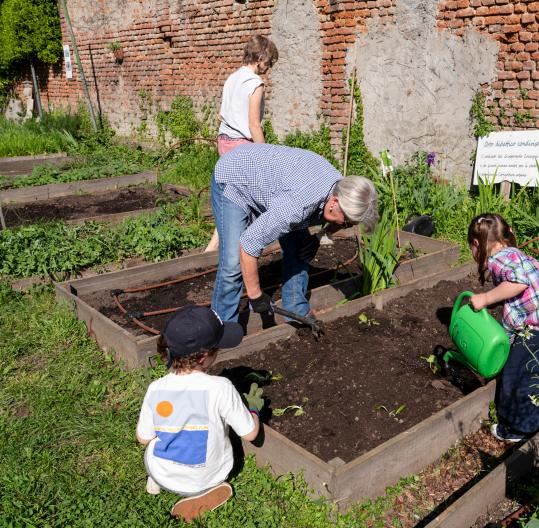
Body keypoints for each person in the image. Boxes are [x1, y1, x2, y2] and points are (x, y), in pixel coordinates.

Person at [211, 143, 378, 325]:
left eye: (350, 224)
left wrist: (319, 236)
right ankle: (221, 328)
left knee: (301, 247)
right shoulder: (297, 206)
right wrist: (255, 295)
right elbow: (249, 244)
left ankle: (295, 309)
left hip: (272, 184)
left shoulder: (341, 189)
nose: (343, 225)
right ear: (335, 202)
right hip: (235, 177)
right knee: (232, 263)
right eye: (345, 221)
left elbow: (336, 219)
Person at [136, 305, 264, 522]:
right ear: (204, 356)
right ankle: (203, 493)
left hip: (161, 472)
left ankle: (156, 482)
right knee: (210, 465)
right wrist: (253, 409)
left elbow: (142, 438)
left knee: (154, 446)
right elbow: (250, 434)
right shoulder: (221, 387)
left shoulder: (156, 388)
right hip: (208, 477)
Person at [467, 213, 539, 442]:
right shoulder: (515, 254)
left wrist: (486, 299)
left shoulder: (497, 259)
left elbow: (519, 282)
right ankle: (537, 422)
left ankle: (517, 431)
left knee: (518, 372)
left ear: (476, 244)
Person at [205, 35, 279, 253]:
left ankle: (212, 250)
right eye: (269, 62)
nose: (269, 67)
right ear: (260, 57)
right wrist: (267, 157)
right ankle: (249, 251)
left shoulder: (232, 78)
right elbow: (254, 125)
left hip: (224, 142)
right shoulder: (255, 84)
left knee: (231, 199)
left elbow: (221, 116)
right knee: (258, 202)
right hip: (242, 148)